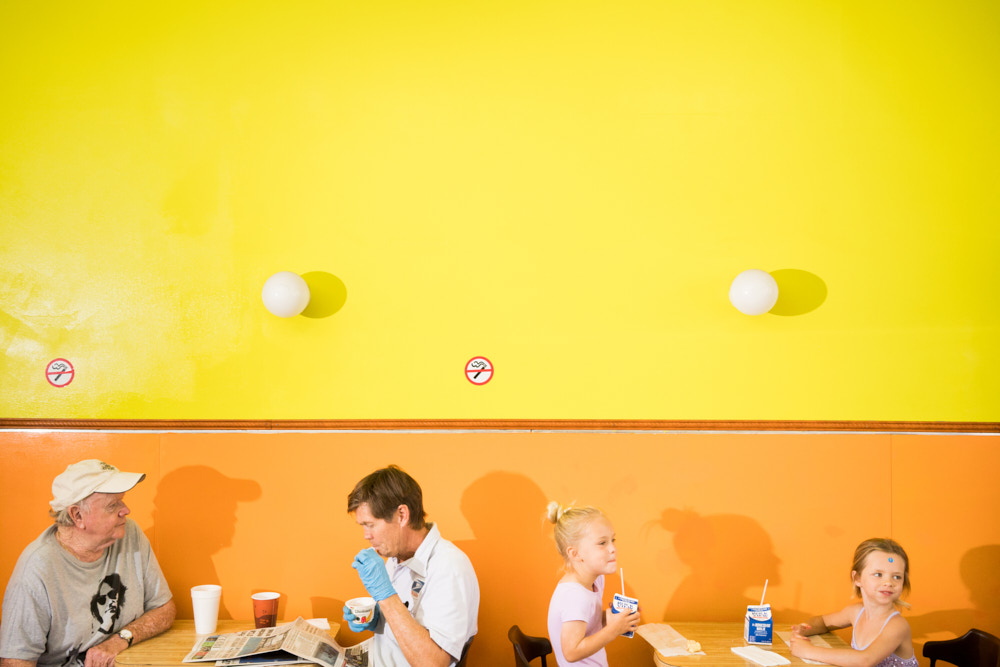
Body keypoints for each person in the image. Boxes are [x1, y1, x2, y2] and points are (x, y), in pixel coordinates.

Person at [1, 460, 175, 667]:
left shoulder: (130, 534)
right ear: (77, 515)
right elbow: (15, 662)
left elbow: (165, 609)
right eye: (113, 505)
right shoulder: (37, 568)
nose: (126, 510)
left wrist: (120, 640)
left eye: (122, 501)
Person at [343, 465, 479, 667]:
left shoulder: (449, 567)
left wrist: (385, 596)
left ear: (401, 515)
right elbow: (405, 623)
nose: (366, 535)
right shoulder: (396, 556)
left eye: (371, 525)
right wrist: (376, 619)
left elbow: (434, 663)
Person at [790, 537, 917, 667]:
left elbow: (865, 660)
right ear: (857, 578)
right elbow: (823, 622)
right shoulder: (855, 612)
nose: (888, 583)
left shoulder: (897, 625)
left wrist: (808, 650)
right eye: (878, 574)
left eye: (897, 577)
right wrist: (803, 629)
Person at [545, 502, 639, 667]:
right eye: (602, 543)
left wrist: (611, 618)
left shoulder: (595, 580)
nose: (613, 548)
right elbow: (571, 652)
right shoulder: (575, 596)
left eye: (612, 539)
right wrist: (613, 630)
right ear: (575, 553)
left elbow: (585, 623)